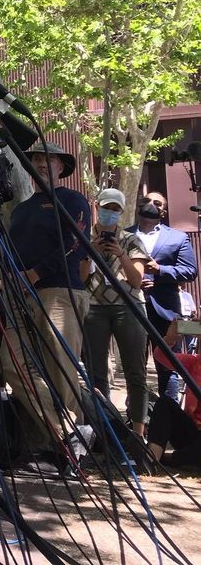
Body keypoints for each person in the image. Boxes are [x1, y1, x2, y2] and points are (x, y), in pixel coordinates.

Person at [2, 142, 92, 462]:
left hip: (60, 292)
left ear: (61, 167)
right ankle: (66, 432)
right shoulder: (21, 209)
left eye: (48, 159)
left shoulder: (73, 200)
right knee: (11, 363)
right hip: (20, 294)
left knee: (61, 368)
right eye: (37, 158)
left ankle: (74, 445)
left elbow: (76, 244)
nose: (41, 163)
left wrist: (34, 273)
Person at [83, 188, 150, 437]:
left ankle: (138, 433)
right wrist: (91, 252)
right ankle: (105, 432)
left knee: (135, 372)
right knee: (96, 373)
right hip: (94, 308)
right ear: (97, 207)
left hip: (128, 307)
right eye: (106, 208)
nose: (109, 213)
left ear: (121, 212)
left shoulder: (131, 240)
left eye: (115, 210)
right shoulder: (83, 238)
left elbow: (137, 280)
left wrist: (121, 254)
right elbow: (80, 278)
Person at [131, 192, 198, 397]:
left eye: (157, 203)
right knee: (134, 368)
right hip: (130, 307)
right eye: (146, 201)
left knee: (168, 367)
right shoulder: (124, 235)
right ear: (138, 205)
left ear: (164, 211)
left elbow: (190, 271)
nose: (150, 204)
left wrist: (160, 271)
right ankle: (137, 414)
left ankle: (170, 413)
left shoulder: (178, 237)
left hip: (165, 311)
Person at [147, 323, 201, 468]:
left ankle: (170, 459)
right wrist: (169, 340)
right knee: (164, 403)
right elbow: (160, 356)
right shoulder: (195, 361)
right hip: (192, 432)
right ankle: (151, 460)